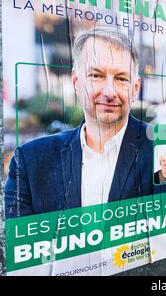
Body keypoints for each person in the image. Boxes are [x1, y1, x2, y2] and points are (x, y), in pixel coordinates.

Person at [5, 27, 154, 218]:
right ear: (76, 81)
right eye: (96, 75)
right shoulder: (31, 162)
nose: (109, 92)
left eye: (121, 78)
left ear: (135, 88)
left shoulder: (163, 151)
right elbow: (18, 243)